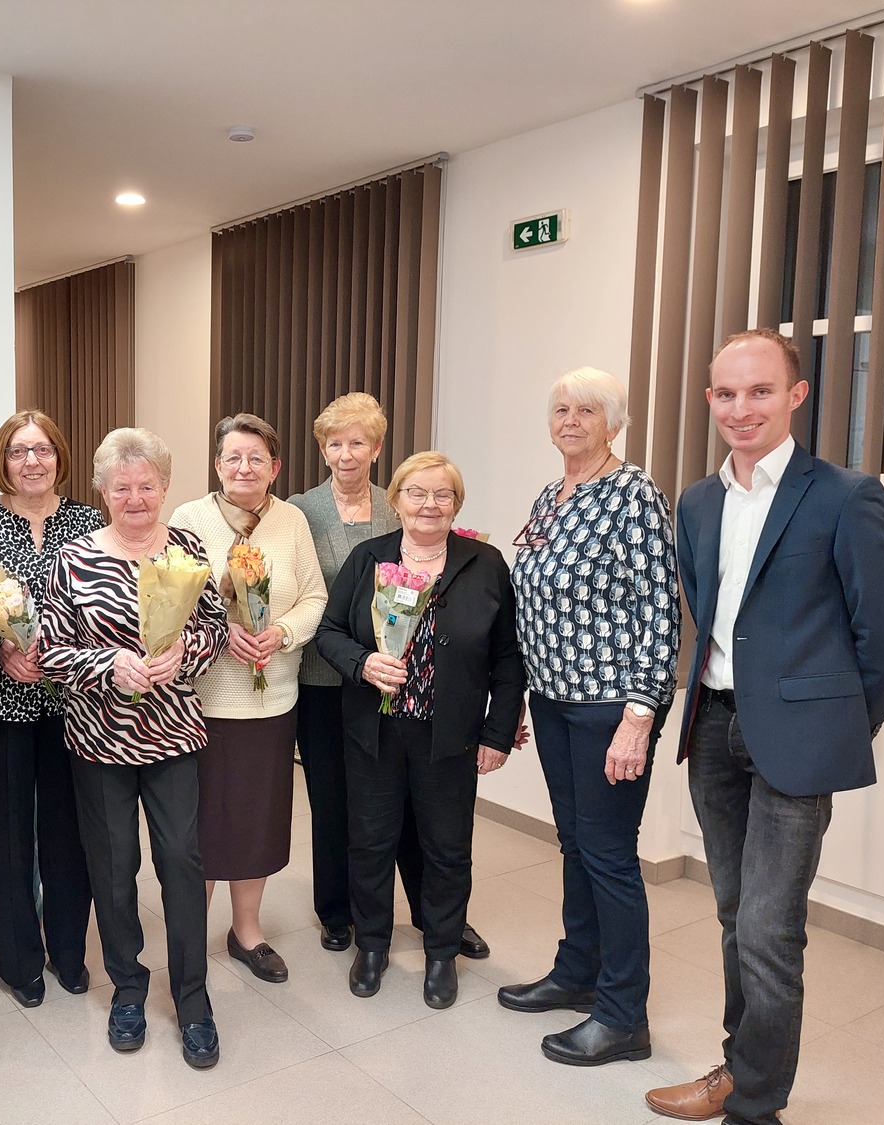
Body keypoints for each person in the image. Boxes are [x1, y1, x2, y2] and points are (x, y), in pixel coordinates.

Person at [644, 329, 884, 1124]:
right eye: (727, 393)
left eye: (760, 391)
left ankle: (755, 1104)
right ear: (710, 400)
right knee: (735, 913)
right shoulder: (698, 501)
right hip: (714, 729)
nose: (742, 408)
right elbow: (707, 610)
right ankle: (739, 1068)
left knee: (768, 927)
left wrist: (834, 728)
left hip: (796, 743)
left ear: (796, 395)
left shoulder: (844, 495)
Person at [501, 367, 679, 1066]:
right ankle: (577, 971)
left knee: (608, 854)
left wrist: (640, 715)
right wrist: (519, 695)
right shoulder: (551, 496)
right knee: (575, 843)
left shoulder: (634, 493)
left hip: (611, 704)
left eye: (587, 410)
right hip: (553, 701)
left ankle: (624, 1014)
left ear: (615, 423)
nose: (570, 420)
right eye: (561, 409)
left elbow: (660, 606)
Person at [37, 427, 228, 1069]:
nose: (136, 498)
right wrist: (108, 665)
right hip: (99, 740)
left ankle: (193, 999)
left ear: (165, 487)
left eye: (147, 486)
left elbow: (215, 626)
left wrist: (186, 652)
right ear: (103, 491)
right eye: (123, 488)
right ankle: (128, 987)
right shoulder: (72, 558)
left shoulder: (187, 547)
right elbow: (51, 650)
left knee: (182, 863)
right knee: (114, 869)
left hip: (174, 733)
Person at [316, 452, 526, 1009]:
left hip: (449, 737)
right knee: (370, 842)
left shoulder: (484, 563)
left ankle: (441, 952)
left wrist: (497, 734)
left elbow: (509, 658)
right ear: (397, 501)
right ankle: (372, 945)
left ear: (456, 504)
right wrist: (363, 663)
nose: (429, 504)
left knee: (447, 848)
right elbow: (330, 631)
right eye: (417, 493)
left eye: (442, 495)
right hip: (374, 732)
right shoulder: (369, 558)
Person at [290, 393, 489, 960]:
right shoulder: (301, 510)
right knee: (335, 802)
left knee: (408, 807)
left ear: (377, 448)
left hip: (405, 685)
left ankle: (433, 914)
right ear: (322, 449)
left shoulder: (400, 501)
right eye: (335, 443)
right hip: (328, 678)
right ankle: (339, 912)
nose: (346, 454)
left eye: (358, 442)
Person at [169, 413, 327, 983]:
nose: (244, 467)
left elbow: (314, 597)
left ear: (275, 467)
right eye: (233, 457)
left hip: (270, 700)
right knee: (201, 826)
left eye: (256, 458)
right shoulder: (189, 519)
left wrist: (279, 632)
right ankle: (190, 937)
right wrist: (222, 628)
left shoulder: (291, 521)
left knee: (257, 820)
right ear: (217, 465)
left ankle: (247, 931)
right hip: (202, 702)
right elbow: (167, 600)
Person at [0, 410, 102, 1007]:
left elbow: (107, 603)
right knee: (8, 838)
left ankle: (69, 952)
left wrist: (62, 654)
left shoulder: (88, 521)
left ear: (59, 456)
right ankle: (19, 958)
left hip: (76, 704)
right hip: (2, 705)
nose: (32, 461)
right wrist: (2, 650)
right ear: (3, 459)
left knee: (68, 835)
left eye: (43, 449)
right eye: (19, 451)